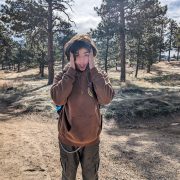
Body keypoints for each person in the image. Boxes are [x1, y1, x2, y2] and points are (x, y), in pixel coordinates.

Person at [50, 34, 114, 180]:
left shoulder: (99, 75)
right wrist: (71, 72)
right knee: (68, 176)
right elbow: (58, 99)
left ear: (92, 56)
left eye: (86, 55)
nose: (82, 60)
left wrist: (93, 71)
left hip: (91, 139)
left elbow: (106, 99)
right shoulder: (62, 76)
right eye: (77, 55)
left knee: (91, 177)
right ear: (70, 57)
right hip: (68, 139)